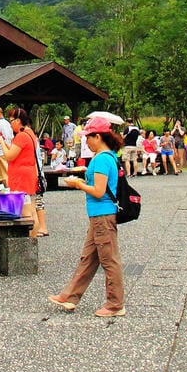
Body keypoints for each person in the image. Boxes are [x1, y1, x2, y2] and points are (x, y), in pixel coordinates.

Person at [49, 116, 125, 317]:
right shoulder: (108, 156)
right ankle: (69, 296)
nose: (86, 141)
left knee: (109, 260)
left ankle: (115, 304)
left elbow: (99, 191)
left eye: (88, 137)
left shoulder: (101, 159)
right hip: (99, 216)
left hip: (102, 215)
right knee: (88, 259)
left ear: (97, 137)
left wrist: (78, 184)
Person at [4, 108, 41, 234]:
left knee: (26, 213)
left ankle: (29, 242)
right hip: (29, 173)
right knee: (31, 209)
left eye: (11, 121)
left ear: (18, 121)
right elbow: (18, 152)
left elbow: (9, 156)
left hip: (21, 177)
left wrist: (2, 143)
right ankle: (33, 239)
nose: (10, 124)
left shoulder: (21, 136)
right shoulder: (30, 133)